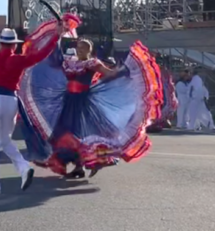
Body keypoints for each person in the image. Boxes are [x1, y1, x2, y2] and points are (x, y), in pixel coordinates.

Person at [18, 21, 164, 178]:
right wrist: (59, 34)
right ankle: (77, 166)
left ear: (89, 50)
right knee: (63, 134)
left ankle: (83, 165)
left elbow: (109, 74)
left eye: (84, 48)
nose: (80, 49)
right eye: (79, 47)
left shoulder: (93, 63)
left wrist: (126, 71)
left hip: (83, 102)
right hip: (68, 101)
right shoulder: (70, 62)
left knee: (81, 134)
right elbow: (55, 57)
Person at [0, 6, 63, 194]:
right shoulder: (20, 59)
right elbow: (42, 54)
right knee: (4, 140)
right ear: (14, 45)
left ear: (1, 43)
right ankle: (24, 168)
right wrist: (56, 36)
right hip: (11, 101)